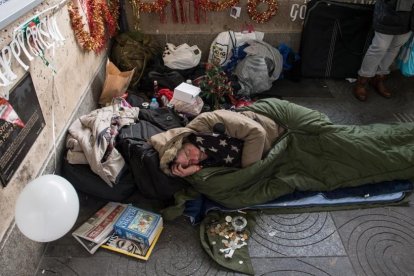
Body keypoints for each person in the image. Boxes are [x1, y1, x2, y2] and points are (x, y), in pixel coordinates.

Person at [149, 98, 414, 209]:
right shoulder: (202, 170)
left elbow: (256, 133)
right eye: (190, 163)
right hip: (281, 147)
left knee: (347, 141)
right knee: (349, 162)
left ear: (183, 140)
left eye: (190, 153)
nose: (196, 158)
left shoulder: (205, 122)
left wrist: (255, 169)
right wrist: (195, 173)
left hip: (283, 122)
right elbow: (229, 193)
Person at [353, 0, 414, 101]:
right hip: (389, 10)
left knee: (395, 48)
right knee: (379, 47)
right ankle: (363, 80)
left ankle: (379, 78)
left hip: (410, 15)